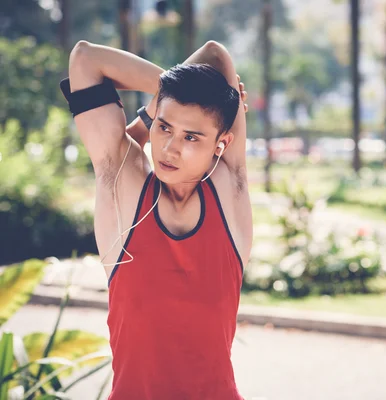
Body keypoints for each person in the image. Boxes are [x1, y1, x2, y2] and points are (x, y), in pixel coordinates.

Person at [61, 40, 251, 399]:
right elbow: (86, 58)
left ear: (221, 144)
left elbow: (216, 54)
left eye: (191, 136)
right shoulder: (123, 185)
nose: (169, 148)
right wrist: (169, 95)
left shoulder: (231, 188)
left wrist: (170, 100)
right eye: (164, 128)